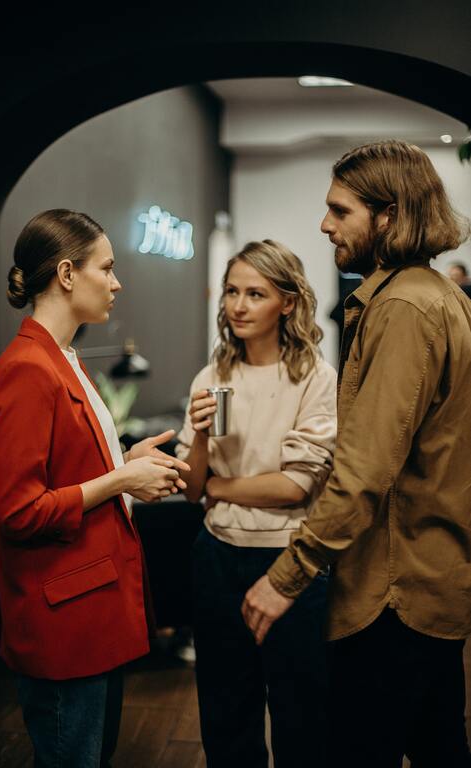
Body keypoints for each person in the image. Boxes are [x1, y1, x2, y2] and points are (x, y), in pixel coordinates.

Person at [242, 141, 471, 768]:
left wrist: (285, 577)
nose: (325, 226)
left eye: (340, 211)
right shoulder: (436, 297)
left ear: (389, 216)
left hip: (392, 593)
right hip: (430, 584)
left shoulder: (402, 307)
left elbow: (365, 469)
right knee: (440, 746)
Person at [0, 209, 190, 768]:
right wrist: (121, 477)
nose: (118, 282)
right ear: (68, 274)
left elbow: (67, 475)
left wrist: (125, 461)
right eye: (109, 267)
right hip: (63, 624)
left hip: (92, 610)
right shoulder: (28, 368)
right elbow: (18, 511)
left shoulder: (65, 358)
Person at [175, 239, 337, 768]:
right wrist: (199, 439)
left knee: (301, 714)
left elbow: (295, 487)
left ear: (287, 303)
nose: (239, 306)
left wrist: (218, 488)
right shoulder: (212, 377)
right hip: (216, 556)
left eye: (255, 293)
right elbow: (192, 485)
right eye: (231, 292)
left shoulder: (314, 377)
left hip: (289, 561)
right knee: (226, 715)